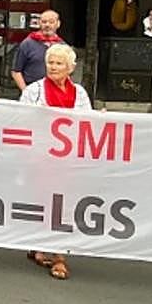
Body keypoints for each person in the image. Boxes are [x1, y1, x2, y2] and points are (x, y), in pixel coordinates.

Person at [20, 43, 90, 280]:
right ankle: (50, 250)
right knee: (45, 203)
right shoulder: (34, 90)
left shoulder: (79, 93)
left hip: (69, 161)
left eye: (59, 63)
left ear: (70, 67)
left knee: (64, 204)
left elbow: (87, 123)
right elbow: (22, 120)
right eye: (50, 62)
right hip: (41, 158)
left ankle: (55, 251)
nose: (53, 67)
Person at [11, 10, 62, 92]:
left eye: (51, 22)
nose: (47, 25)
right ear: (39, 23)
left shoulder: (63, 47)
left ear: (58, 24)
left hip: (55, 93)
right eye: (44, 22)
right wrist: (26, 92)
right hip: (31, 91)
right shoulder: (27, 44)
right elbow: (16, 71)